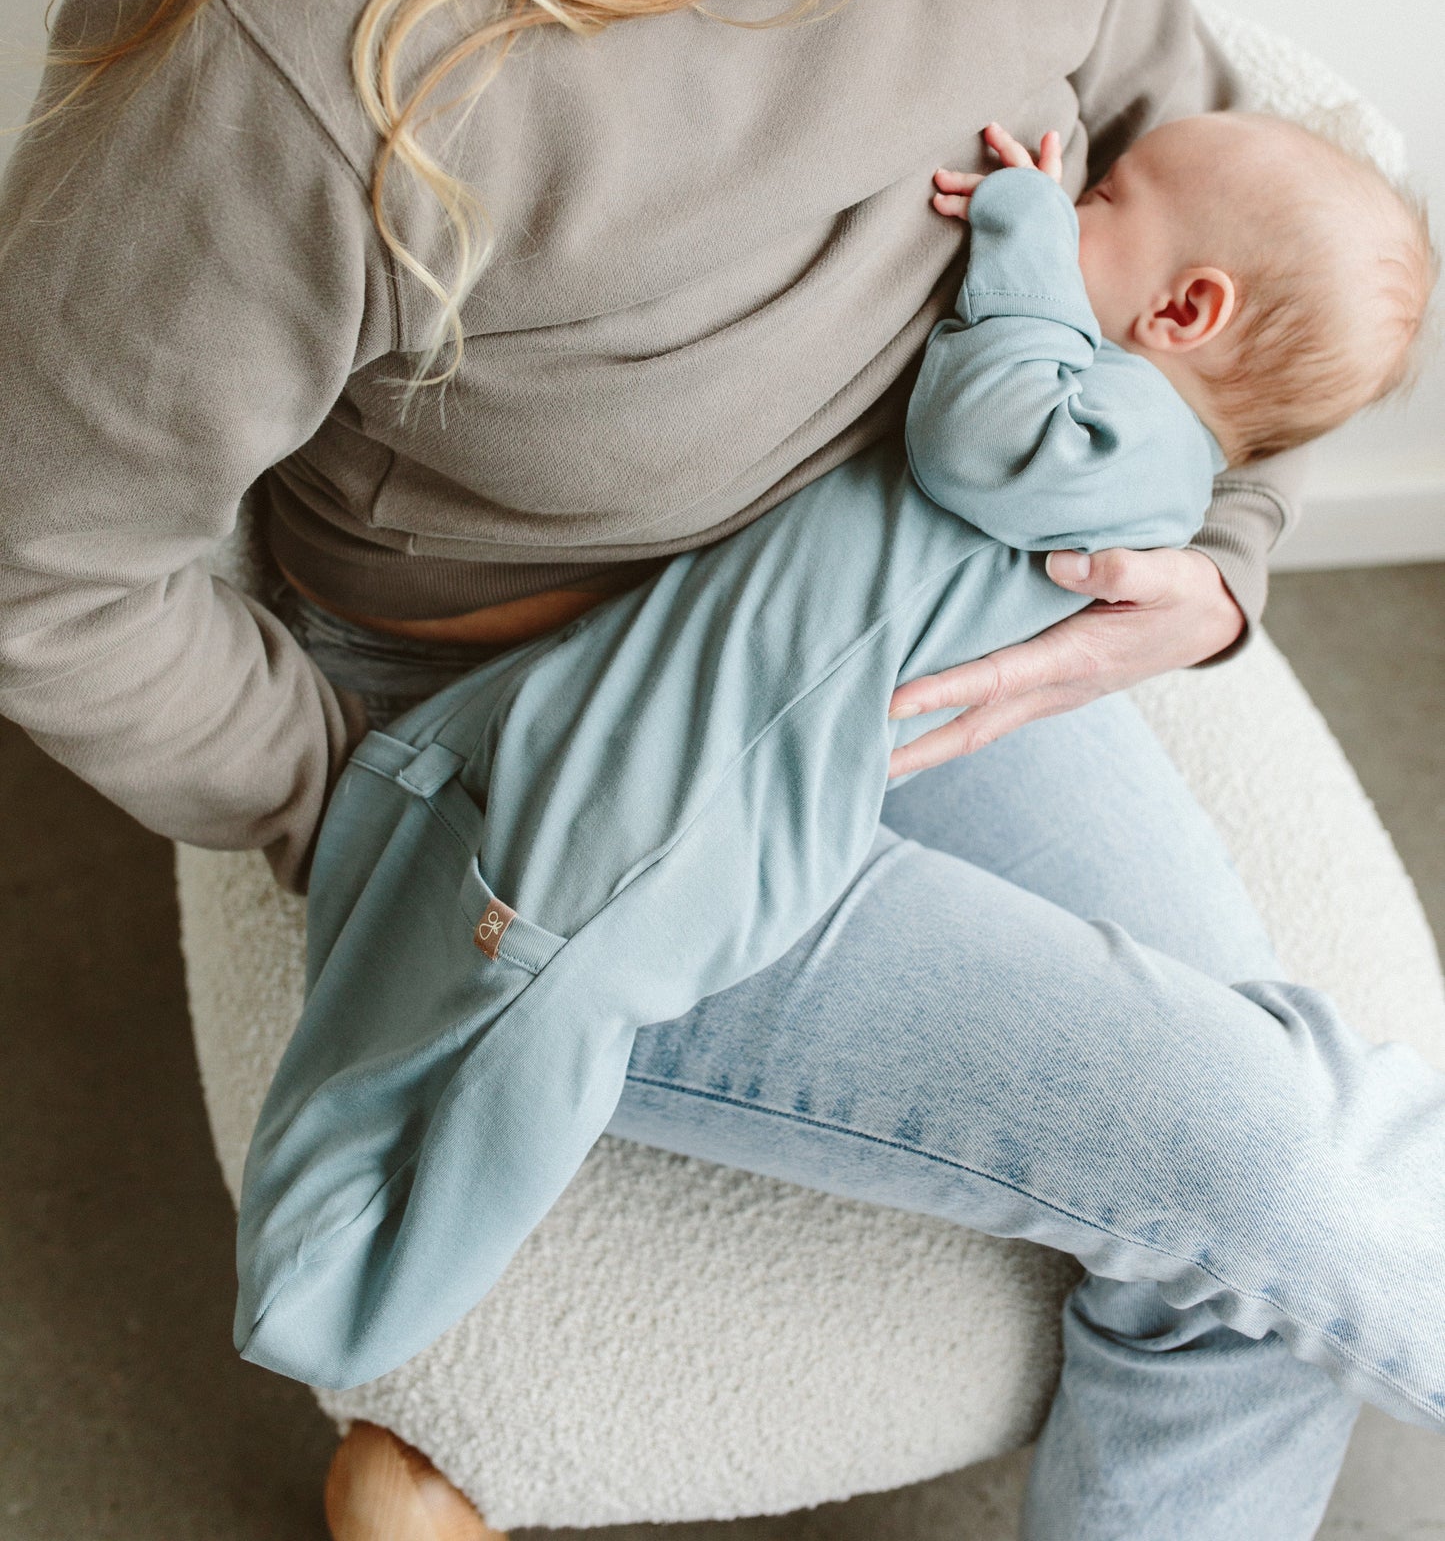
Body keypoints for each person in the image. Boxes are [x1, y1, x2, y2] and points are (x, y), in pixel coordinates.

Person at [1, 0, 1442, 1530]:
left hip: (918, 599)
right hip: (577, 746)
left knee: (1272, 1207)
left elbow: (1226, 200)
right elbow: (44, 553)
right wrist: (357, 810)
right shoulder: (335, 6)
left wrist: (1215, 556)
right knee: (1270, 1166)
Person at [234, 110, 1437, 1392]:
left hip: (716, 804)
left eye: (1101, 199)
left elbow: (979, 431)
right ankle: (343, 1250)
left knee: (536, 1002)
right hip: (682, 722)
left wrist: (1026, 230)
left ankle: (336, 1293)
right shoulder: (1116, 398)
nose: (1066, 190)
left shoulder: (1131, 439)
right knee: (466, 990)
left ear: (1184, 310)